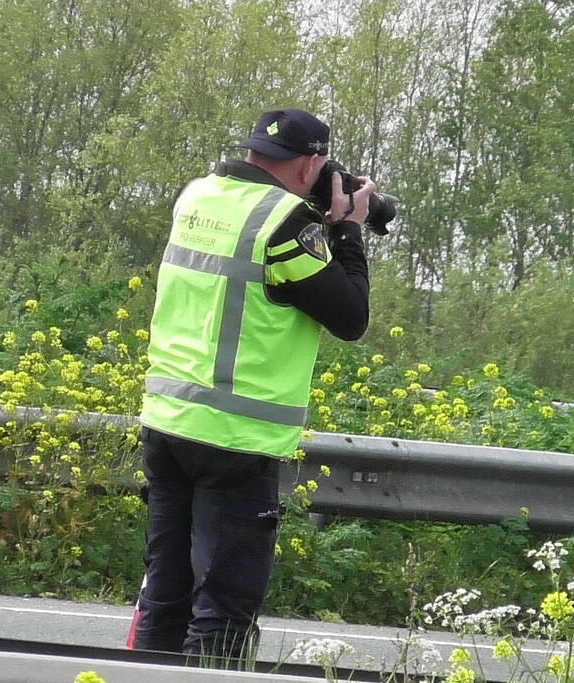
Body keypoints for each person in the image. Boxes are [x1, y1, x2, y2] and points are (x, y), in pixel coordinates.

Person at [131, 108, 375, 666]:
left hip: (168, 423)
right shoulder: (286, 223)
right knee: (222, 609)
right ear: (312, 164)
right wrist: (347, 230)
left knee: (164, 596)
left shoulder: (196, 196)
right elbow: (350, 316)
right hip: (234, 438)